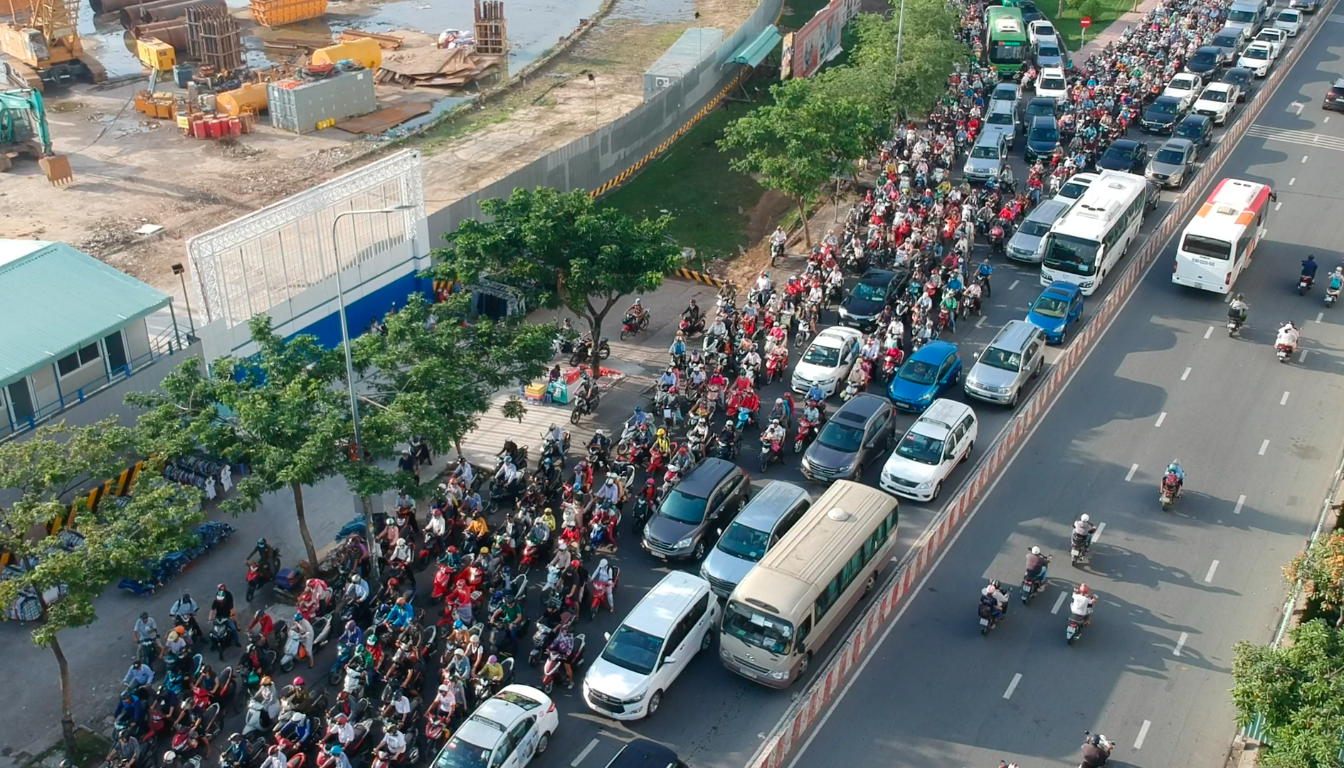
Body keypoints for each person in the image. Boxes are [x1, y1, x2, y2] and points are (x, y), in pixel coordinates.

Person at [549, 623, 577, 689]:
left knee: (567, 668)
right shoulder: (561, 634)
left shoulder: (570, 638)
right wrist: (550, 647)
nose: (563, 632)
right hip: (560, 651)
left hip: (566, 654)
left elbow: (570, 648)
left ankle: (571, 681)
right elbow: (556, 641)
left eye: (565, 631)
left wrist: (566, 655)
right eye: (563, 630)